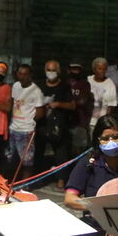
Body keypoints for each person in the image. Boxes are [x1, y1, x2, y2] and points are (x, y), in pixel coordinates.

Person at [36, 59, 75, 188]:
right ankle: (39, 178)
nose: (51, 73)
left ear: (58, 72)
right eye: (48, 70)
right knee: (39, 151)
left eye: (53, 70)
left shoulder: (64, 86)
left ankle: (61, 179)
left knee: (61, 153)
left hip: (58, 124)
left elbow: (72, 105)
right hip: (42, 123)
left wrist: (58, 104)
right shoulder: (39, 85)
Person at [7, 64, 44, 179]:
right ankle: (9, 181)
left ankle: (25, 184)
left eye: (25, 74)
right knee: (10, 158)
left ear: (30, 75)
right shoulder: (16, 86)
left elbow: (40, 113)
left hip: (26, 130)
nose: (22, 77)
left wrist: (29, 120)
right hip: (13, 128)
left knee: (27, 160)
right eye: (20, 74)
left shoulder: (36, 91)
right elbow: (12, 103)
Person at [87, 58, 116, 130]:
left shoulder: (110, 83)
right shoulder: (88, 80)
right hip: (87, 121)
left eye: (104, 69)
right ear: (94, 69)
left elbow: (111, 105)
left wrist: (105, 122)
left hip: (101, 123)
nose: (102, 71)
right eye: (99, 69)